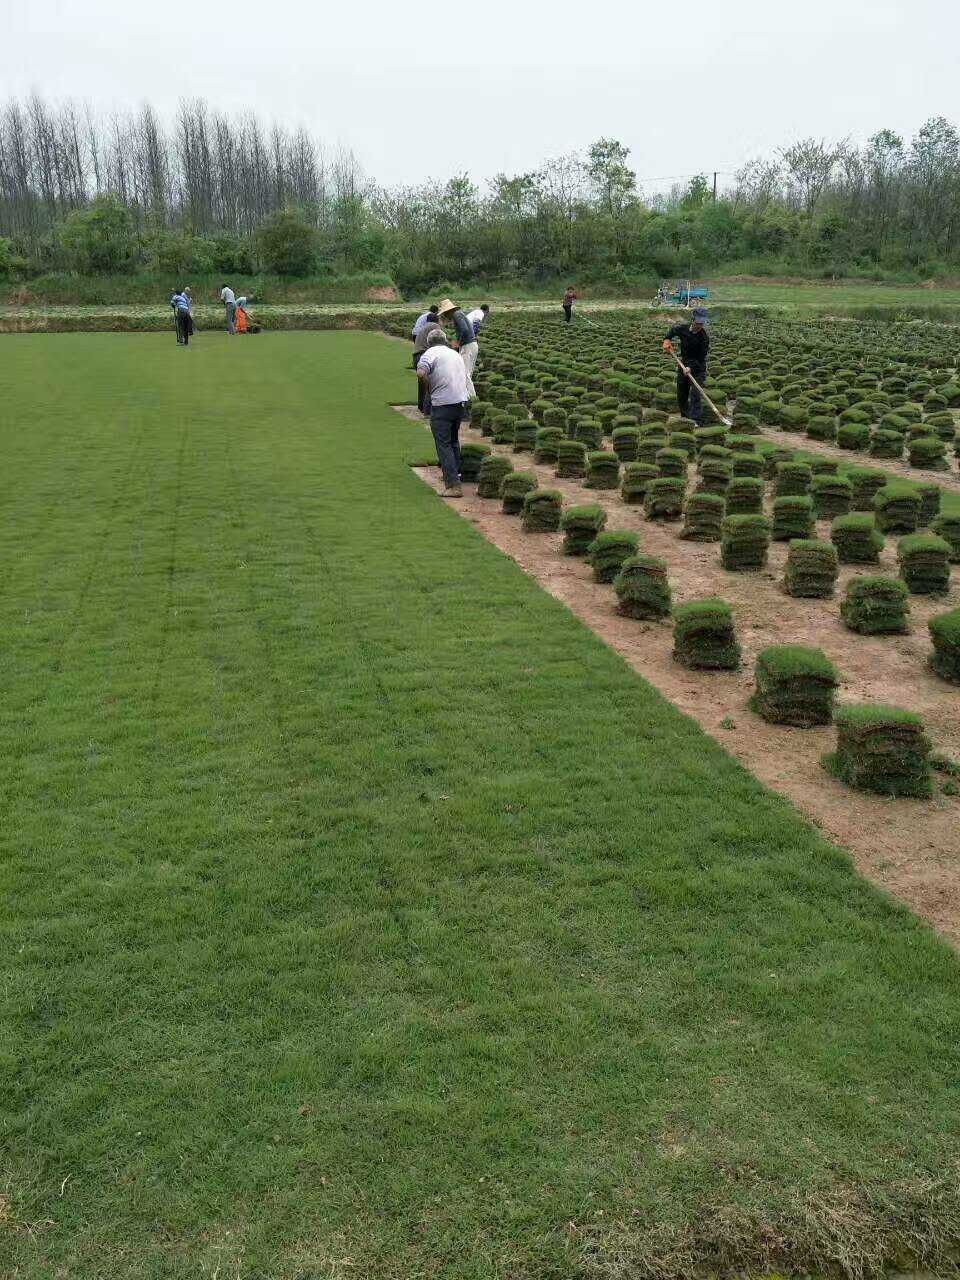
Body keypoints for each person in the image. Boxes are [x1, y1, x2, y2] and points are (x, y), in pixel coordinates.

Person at [416, 329, 468, 497]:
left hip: (443, 403)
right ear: (444, 340)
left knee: (443, 444)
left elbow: (420, 372)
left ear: (430, 342)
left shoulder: (430, 353)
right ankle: (455, 476)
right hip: (460, 402)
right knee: (453, 440)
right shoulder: (454, 353)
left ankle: (453, 485)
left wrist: (428, 387)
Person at [663, 307, 710, 425]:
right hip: (683, 363)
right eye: (698, 322)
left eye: (702, 323)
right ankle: (685, 417)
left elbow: (701, 357)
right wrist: (667, 339)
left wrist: (691, 368)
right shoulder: (683, 328)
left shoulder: (703, 337)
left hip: (698, 367)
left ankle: (695, 421)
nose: (699, 325)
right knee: (681, 393)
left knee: (695, 394)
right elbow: (672, 331)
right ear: (693, 319)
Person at [437, 298, 477, 399]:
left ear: (448, 311)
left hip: (467, 345)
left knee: (464, 373)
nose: (445, 315)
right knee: (467, 373)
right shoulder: (458, 314)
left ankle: (471, 398)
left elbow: (464, 329)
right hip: (470, 344)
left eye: (445, 313)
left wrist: (458, 342)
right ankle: (466, 396)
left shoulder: (456, 315)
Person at [411, 309, 442, 414]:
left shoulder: (424, 327)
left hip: (417, 356)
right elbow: (441, 339)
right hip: (423, 356)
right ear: (437, 320)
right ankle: (428, 410)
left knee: (422, 384)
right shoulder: (434, 326)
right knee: (431, 383)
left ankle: (421, 407)